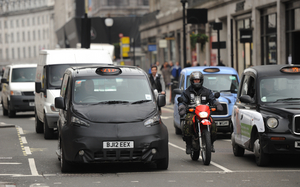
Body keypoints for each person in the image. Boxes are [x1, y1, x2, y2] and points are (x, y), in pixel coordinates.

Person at [178, 71, 223, 154]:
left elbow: (213, 100)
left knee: (212, 124)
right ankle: (188, 144)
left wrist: (217, 104)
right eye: (195, 80)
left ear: (201, 80)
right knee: (188, 122)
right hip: (192, 113)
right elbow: (182, 101)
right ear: (192, 81)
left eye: (198, 80)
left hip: (204, 113)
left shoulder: (207, 91)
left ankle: (211, 143)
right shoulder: (187, 92)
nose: (197, 82)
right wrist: (182, 107)